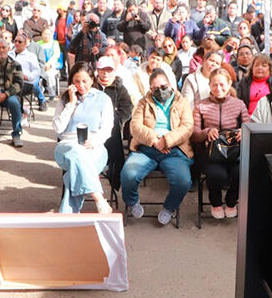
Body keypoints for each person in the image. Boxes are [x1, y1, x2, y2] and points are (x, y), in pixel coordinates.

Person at [121, 68, 194, 225]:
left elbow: (188, 127)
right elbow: (135, 127)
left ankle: (169, 207)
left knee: (183, 181)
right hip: (147, 148)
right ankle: (132, 202)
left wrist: (166, 141)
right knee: (128, 174)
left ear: (169, 84)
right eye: (155, 88)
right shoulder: (143, 103)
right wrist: (155, 140)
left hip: (174, 149)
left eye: (163, 87)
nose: (160, 91)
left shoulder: (181, 102)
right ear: (150, 89)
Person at [52, 61, 114, 213]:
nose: (81, 85)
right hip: (68, 145)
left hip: (94, 146)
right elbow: (58, 128)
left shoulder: (103, 99)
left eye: (84, 81)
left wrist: (94, 142)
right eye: (76, 81)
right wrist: (71, 104)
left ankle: (67, 216)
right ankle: (99, 199)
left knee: (74, 173)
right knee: (76, 152)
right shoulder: (65, 100)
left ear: (92, 80)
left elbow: (107, 128)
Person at [192, 68, 249, 219]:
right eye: (214, 84)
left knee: (240, 172)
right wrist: (207, 132)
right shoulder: (200, 106)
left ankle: (231, 201)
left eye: (222, 84)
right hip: (211, 154)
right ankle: (215, 202)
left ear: (229, 83)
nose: (218, 88)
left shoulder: (239, 104)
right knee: (217, 174)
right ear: (209, 85)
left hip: (235, 152)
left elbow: (249, 126)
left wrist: (243, 131)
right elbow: (194, 135)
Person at [95, 56, 132, 191]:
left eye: (109, 70)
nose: (105, 74)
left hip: (112, 129)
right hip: (93, 127)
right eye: (102, 70)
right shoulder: (92, 86)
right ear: (97, 71)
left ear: (114, 71)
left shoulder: (120, 89)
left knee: (114, 123)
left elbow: (126, 109)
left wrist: (116, 121)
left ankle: (113, 170)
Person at [0, 39, 25, 147]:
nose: (1, 50)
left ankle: (16, 134)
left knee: (15, 103)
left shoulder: (16, 65)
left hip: (9, 94)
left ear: (8, 48)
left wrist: (6, 94)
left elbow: (19, 84)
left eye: (3, 47)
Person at [12, 33, 48, 110]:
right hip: (11, 82)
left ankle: (20, 110)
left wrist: (28, 77)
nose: (17, 43)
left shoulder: (31, 55)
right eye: (15, 41)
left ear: (25, 44)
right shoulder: (10, 54)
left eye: (20, 42)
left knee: (17, 89)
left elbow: (37, 70)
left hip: (26, 82)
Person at [31, 27, 61, 100]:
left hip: (52, 65)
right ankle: (39, 94)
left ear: (51, 35)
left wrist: (49, 63)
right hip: (40, 65)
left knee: (49, 75)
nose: (46, 36)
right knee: (37, 77)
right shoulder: (38, 44)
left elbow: (56, 55)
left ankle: (52, 94)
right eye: (45, 34)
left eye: (48, 34)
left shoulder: (54, 43)